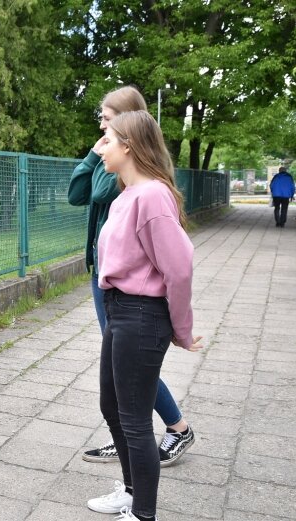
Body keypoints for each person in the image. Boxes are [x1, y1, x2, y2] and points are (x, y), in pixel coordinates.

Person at [68, 86, 195, 468]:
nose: (101, 130)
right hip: (106, 270)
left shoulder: (138, 182)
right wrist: (96, 152)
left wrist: (181, 324)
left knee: (128, 365)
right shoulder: (118, 164)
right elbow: (77, 193)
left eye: (107, 121)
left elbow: (93, 192)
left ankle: (177, 428)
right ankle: (123, 437)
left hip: (131, 285)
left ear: (129, 137)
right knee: (117, 365)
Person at [86, 110, 204, 521]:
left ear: (128, 146)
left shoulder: (152, 195)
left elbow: (180, 266)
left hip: (140, 314)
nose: (101, 147)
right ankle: (132, 492)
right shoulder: (127, 195)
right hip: (120, 310)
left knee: (134, 420)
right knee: (111, 406)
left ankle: (143, 513)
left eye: (108, 140)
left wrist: (181, 328)